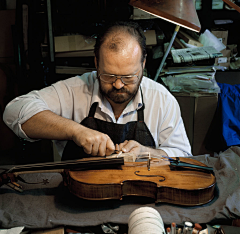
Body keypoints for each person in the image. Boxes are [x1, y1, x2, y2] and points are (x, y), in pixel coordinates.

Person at [3, 21, 191, 161]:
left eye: (128, 77)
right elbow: (14, 111)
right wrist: (75, 131)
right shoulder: (75, 90)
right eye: (108, 76)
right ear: (96, 64)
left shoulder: (162, 99)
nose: (118, 85)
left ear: (143, 64)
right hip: (78, 199)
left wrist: (146, 153)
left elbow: (183, 156)